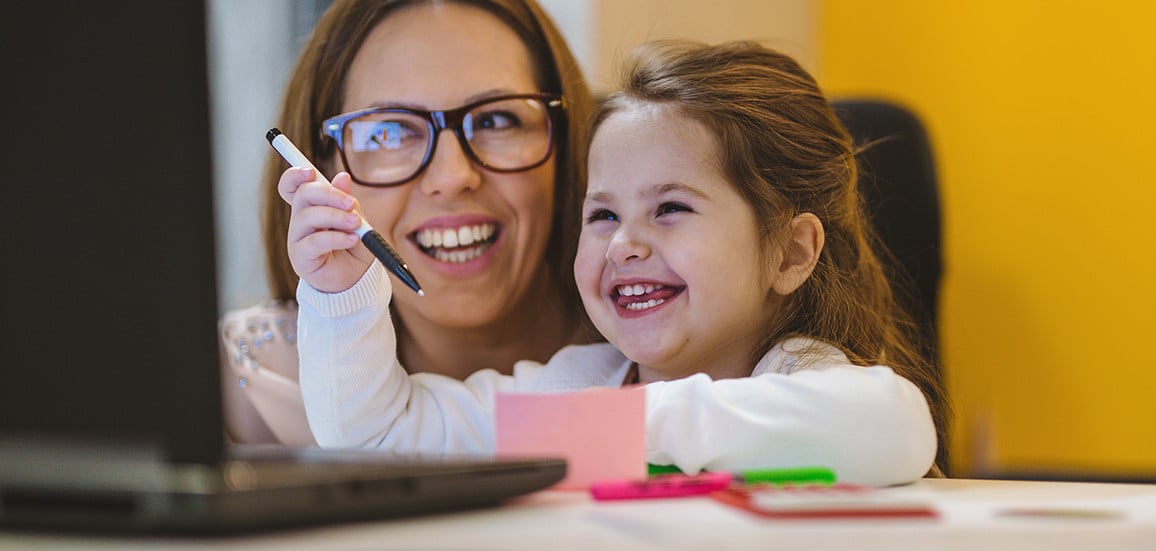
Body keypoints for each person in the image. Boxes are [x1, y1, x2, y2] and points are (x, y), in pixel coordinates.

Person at [292, 39, 943, 485]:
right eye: (601, 215)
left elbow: (898, 426)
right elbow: (378, 440)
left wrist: (620, 425)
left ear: (791, 251)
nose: (623, 245)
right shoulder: (576, 384)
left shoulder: (805, 379)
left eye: (670, 209)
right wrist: (340, 293)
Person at [218, 0, 596, 445]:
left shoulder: (660, 347)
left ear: (570, 143)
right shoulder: (256, 384)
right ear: (317, 170)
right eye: (390, 131)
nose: (452, 178)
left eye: (496, 119)